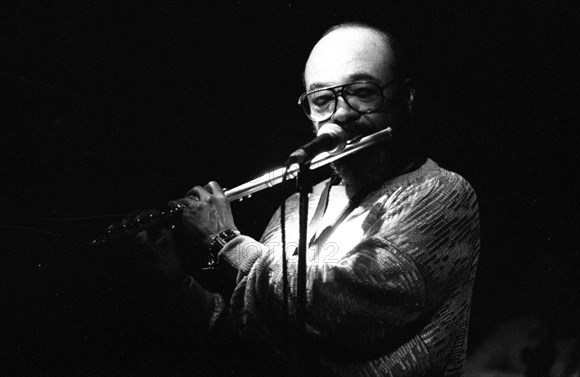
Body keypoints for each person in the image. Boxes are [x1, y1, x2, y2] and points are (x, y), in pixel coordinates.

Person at [132, 22, 481, 376]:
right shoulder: (299, 205)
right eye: (322, 99)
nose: (341, 113)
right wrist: (176, 282)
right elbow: (258, 337)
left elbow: (341, 311)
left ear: (405, 98)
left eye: (362, 91)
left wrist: (225, 241)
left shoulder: (442, 195)